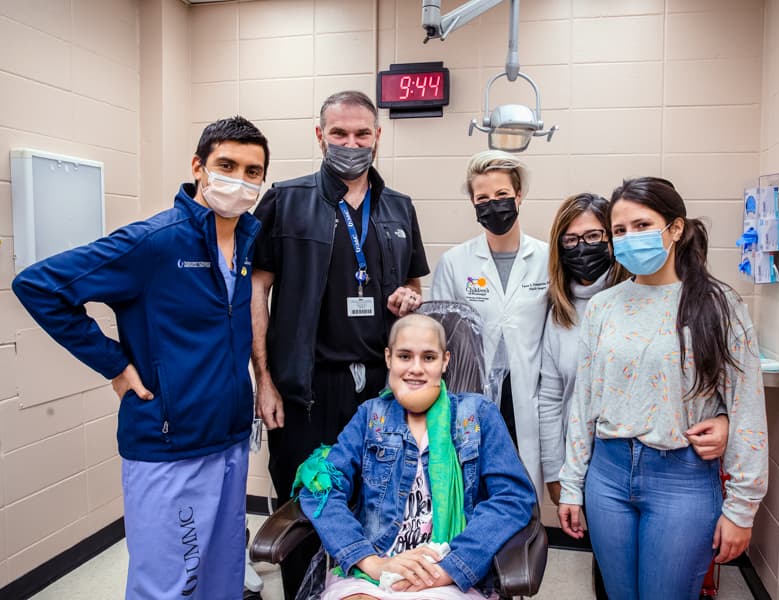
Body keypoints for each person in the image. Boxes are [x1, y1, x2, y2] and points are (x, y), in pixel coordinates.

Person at [12, 117, 269, 599]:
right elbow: (38, 285)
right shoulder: (154, 242)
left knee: (221, 578)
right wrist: (113, 362)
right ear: (199, 167)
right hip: (169, 447)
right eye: (227, 165)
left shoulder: (247, 242)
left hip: (228, 440)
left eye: (252, 171)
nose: (239, 179)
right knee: (170, 587)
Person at [250, 90, 429, 597]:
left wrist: (406, 298)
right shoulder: (286, 200)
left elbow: (414, 286)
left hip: (380, 391)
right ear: (320, 136)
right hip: (306, 391)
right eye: (339, 134)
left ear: (378, 137)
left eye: (362, 134)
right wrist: (263, 380)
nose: (351, 144)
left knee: (380, 505)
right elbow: (257, 290)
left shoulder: (398, 207)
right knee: (306, 507)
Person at [558, 177, 768, 600]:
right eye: (619, 231)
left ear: (674, 229)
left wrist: (742, 508)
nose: (629, 238)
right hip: (608, 475)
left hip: (682, 478)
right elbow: (584, 404)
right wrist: (572, 484)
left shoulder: (718, 303)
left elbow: (746, 409)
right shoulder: (603, 306)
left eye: (642, 226)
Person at [296, 313, 536, 599]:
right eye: (405, 356)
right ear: (388, 358)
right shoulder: (371, 417)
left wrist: (453, 567)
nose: (416, 368)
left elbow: (512, 497)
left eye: (429, 357)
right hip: (377, 568)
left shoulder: (478, 415)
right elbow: (321, 487)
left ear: (445, 361)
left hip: (449, 574)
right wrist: (370, 562)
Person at [538, 192, 731, 507]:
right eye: (570, 240)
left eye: (593, 236)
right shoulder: (562, 311)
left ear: (610, 240)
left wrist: (723, 418)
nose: (582, 248)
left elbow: (696, 379)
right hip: (586, 457)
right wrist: (556, 473)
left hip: (666, 461)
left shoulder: (659, 294)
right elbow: (550, 399)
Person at [430, 150, 547, 499]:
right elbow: (439, 338)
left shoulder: (546, 258)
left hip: (529, 395)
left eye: (502, 196)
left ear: (519, 196)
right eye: (483, 198)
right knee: (473, 493)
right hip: (470, 396)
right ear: (472, 202)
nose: (493, 205)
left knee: (521, 496)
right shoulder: (455, 262)